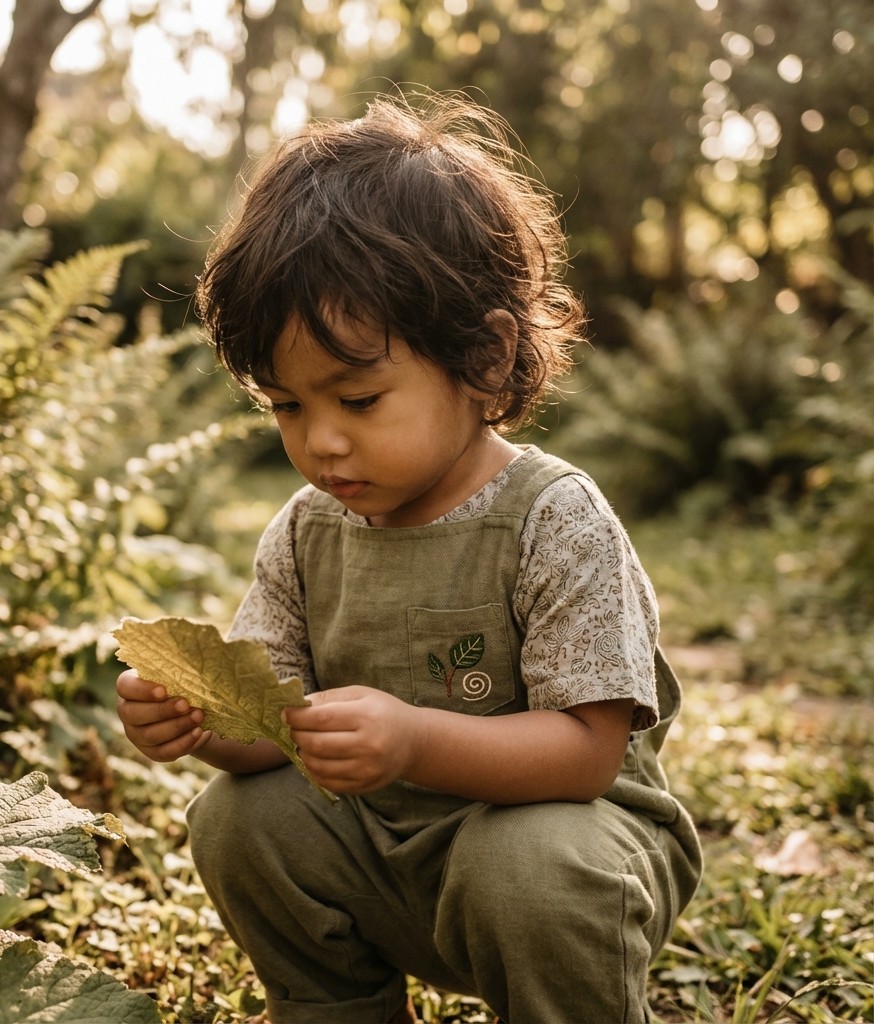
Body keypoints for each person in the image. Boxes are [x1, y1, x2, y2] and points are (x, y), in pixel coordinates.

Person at [116, 94, 702, 1024]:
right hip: (384, 859)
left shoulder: (553, 518)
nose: (322, 445)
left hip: (561, 861)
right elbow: (272, 734)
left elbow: (590, 755)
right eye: (287, 406)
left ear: (484, 355)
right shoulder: (307, 533)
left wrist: (415, 740)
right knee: (238, 821)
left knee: (529, 866)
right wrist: (197, 721)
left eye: (357, 398)